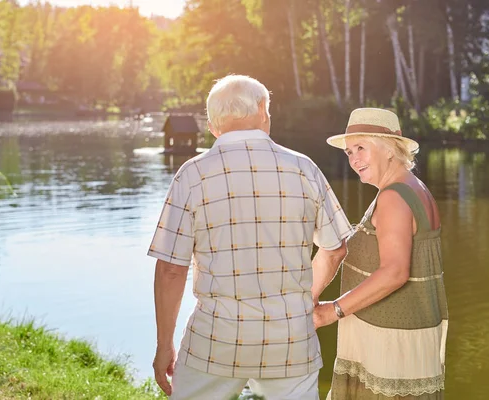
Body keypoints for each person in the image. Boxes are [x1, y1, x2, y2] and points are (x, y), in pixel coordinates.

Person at [148, 75, 353, 400]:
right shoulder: (304, 169)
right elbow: (335, 249)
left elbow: (172, 269)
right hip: (289, 341)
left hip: (215, 339)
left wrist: (164, 345)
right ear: (262, 111)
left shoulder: (192, 175)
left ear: (214, 126)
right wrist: (304, 298)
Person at [314, 108, 448, 400]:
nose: (354, 159)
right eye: (349, 152)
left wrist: (331, 311)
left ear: (389, 149)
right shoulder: (413, 188)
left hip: (390, 345)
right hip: (405, 337)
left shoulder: (394, 197)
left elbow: (395, 271)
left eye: (361, 148)